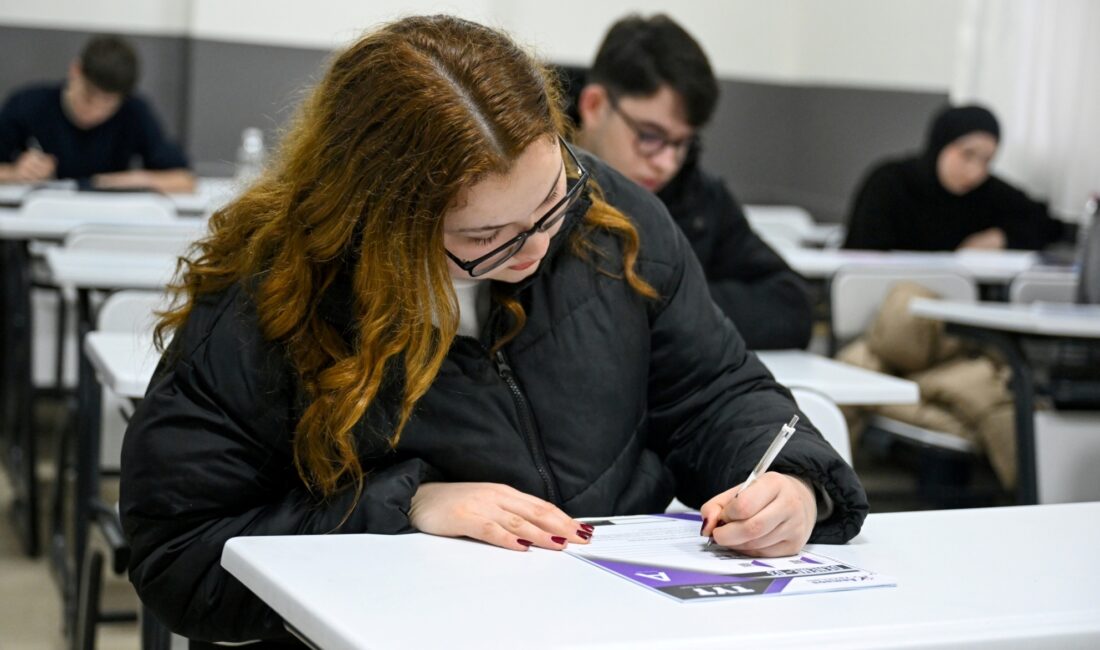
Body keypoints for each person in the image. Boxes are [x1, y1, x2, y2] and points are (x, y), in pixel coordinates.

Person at [120, 16, 867, 646]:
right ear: (381, 219)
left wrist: (790, 481)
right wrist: (405, 507)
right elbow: (179, 554)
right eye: (485, 237)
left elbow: (714, 392)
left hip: (607, 621)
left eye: (550, 201)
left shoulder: (613, 221)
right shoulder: (271, 302)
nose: (536, 246)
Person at [572, 14, 813, 350]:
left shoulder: (700, 198)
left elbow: (791, 306)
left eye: (681, 142)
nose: (667, 164)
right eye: (650, 136)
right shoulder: (531, 186)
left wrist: (665, 303)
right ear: (594, 106)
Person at [843, 104, 1066, 251]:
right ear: (941, 144)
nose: (975, 171)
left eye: (987, 160)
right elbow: (861, 252)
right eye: (967, 155)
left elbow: (1045, 224)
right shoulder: (890, 183)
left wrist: (1000, 238)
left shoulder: (987, 191)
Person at [0, 34, 195, 193]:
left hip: (107, 220)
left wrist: (129, 181)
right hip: (38, 217)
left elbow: (185, 179)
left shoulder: (134, 112)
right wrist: (13, 173)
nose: (95, 111)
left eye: (109, 103)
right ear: (76, 70)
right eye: (88, 97)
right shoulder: (28, 104)